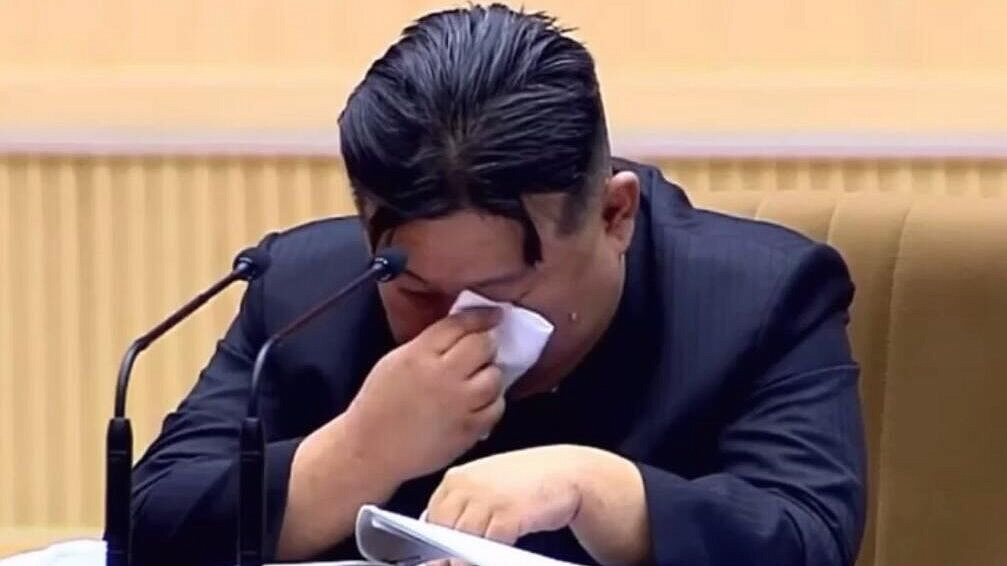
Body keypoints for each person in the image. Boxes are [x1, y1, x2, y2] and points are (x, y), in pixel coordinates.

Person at [128, 4, 865, 565]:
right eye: (416, 290)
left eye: (499, 294)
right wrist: (358, 453)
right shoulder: (302, 291)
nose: (458, 324)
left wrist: (596, 489)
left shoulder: (762, 299)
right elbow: (146, 525)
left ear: (614, 216)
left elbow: (809, 538)